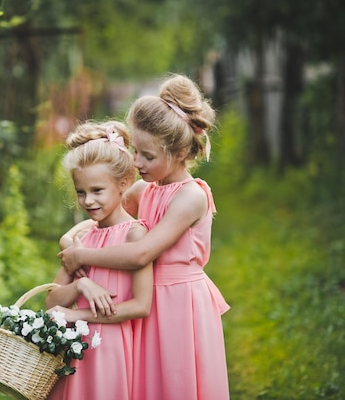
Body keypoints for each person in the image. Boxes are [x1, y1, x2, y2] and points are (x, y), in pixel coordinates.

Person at [58, 74, 230, 400]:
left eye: (147, 156)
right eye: (136, 151)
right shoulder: (143, 190)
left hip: (180, 304)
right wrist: (71, 246)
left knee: (177, 383)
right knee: (147, 386)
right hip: (145, 299)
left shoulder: (191, 196)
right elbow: (94, 227)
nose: (137, 163)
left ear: (179, 152)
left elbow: (140, 255)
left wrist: (81, 257)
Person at [45, 120, 153, 400]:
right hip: (74, 347)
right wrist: (82, 287)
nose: (88, 201)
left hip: (110, 345)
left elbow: (140, 305)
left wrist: (79, 315)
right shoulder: (83, 236)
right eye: (81, 192)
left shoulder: (134, 234)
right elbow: (52, 302)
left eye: (97, 191)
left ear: (123, 184)